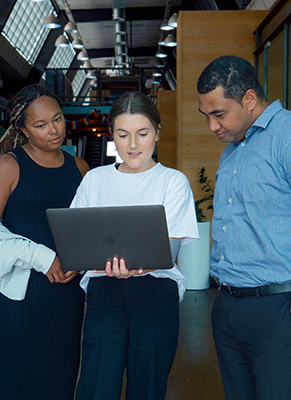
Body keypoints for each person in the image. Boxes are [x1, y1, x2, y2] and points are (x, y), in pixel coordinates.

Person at [196, 55, 291, 400]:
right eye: (205, 116)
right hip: (229, 307)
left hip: (281, 308)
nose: (211, 126)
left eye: (218, 114)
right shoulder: (233, 150)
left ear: (249, 99)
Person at [72, 91, 199, 400]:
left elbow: (169, 252)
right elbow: (76, 238)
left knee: (148, 388)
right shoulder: (95, 180)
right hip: (105, 294)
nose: (132, 145)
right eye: (123, 135)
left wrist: (137, 266)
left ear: (157, 132)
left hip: (155, 295)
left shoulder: (173, 181)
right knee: (96, 385)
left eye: (142, 134)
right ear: (112, 135)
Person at [0, 84, 89, 399]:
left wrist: (81, 259)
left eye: (58, 119)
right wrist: (42, 257)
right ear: (23, 129)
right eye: (41, 125)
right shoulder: (7, 168)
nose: (53, 130)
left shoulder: (79, 168)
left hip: (68, 295)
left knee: (62, 382)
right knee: (15, 384)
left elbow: (90, 228)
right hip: (22, 299)